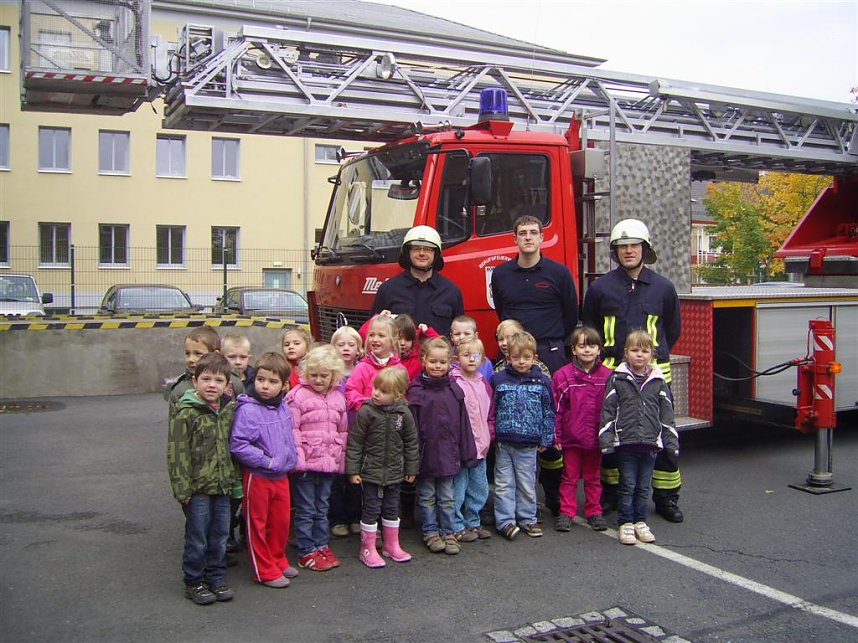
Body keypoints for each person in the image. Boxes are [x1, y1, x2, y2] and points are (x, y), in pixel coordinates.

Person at [582, 218, 684, 523]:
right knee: (613, 433)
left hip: (655, 377)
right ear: (615, 251)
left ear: (645, 248)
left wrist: (650, 360)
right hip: (615, 376)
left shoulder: (664, 288)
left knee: (662, 434)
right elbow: (590, 330)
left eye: (634, 245)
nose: (628, 251)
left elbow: (672, 331)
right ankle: (613, 492)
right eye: (622, 246)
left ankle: (665, 496)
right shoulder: (600, 289)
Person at [167, 352, 238, 605]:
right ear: (195, 381)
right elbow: (177, 453)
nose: (212, 385)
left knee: (220, 535)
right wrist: (182, 489)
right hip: (197, 488)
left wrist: (233, 481)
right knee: (197, 536)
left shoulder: (229, 410)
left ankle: (216, 578)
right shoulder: (186, 412)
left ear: (226, 385)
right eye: (206, 379)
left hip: (223, 485)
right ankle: (194, 581)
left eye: (218, 381)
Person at [598, 331, 679, 545]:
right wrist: (606, 441)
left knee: (644, 486)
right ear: (626, 353)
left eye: (644, 351)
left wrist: (671, 442)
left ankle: (640, 522)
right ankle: (625, 522)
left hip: (650, 444)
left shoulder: (659, 381)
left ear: (652, 354)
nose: (639, 355)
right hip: (626, 443)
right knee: (627, 484)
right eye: (634, 350)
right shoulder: (617, 379)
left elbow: (667, 414)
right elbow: (608, 411)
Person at [229, 352, 299, 589]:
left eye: (272, 381)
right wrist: (266, 461)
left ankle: (277, 558)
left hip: (282, 475)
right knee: (257, 524)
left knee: (281, 521)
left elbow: (288, 436)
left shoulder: (283, 406)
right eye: (261, 380)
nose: (265, 386)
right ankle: (264, 569)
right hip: (259, 476)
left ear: (284, 385)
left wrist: (290, 459)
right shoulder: (248, 409)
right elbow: (239, 444)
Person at [408, 337, 477, 556]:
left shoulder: (454, 390)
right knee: (427, 497)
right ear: (423, 361)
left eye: (442, 362)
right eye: (433, 362)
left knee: (447, 497)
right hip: (425, 456)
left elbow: (464, 425)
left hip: (449, 455)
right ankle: (430, 532)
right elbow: (411, 431)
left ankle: (448, 532)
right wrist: (411, 462)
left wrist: (468, 453)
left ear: (449, 363)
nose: (438, 366)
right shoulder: (416, 392)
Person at [346, 367, 420, 568]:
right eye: (375, 388)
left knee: (391, 507)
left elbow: (411, 442)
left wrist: (411, 469)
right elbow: (355, 442)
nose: (376, 393)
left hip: (395, 472)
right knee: (371, 508)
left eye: (383, 391)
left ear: (397, 395)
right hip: (371, 472)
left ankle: (391, 545)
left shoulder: (404, 413)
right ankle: (367, 548)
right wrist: (353, 470)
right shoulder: (366, 411)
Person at [490, 215, 578, 375]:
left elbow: (571, 314)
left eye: (533, 232)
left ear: (541, 237)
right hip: (513, 352)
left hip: (549, 351)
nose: (528, 237)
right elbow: (501, 310)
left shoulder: (559, 273)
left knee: (552, 398)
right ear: (515, 238)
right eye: (523, 233)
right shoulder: (500, 274)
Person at [287, 345, 349, 572]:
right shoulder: (296, 396)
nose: (319, 380)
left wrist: (340, 462)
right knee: (306, 508)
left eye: (324, 376)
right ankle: (306, 549)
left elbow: (343, 432)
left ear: (333, 375)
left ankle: (321, 544)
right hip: (305, 465)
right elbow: (292, 431)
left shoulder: (337, 398)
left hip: (328, 463)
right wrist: (299, 461)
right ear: (305, 374)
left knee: (322, 506)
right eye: (314, 375)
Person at [490, 331, 555, 540]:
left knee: (526, 483)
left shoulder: (542, 382)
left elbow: (548, 411)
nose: (521, 362)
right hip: (503, 442)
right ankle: (505, 521)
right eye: (516, 357)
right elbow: (492, 409)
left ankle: (528, 518)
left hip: (528, 444)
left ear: (534, 357)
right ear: (508, 357)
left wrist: (546, 437)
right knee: (503, 483)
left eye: (526, 357)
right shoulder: (498, 380)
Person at [552, 327, 612, 532]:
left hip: (596, 438)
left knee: (593, 477)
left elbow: (613, 410)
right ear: (574, 350)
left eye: (592, 345)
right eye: (582, 346)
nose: (587, 350)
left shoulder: (608, 376)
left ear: (599, 350)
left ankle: (594, 511)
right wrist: (556, 435)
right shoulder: (563, 376)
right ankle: (566, 512)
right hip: (571, 438)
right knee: (569, 476)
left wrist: (610, 435)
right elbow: (557, 409)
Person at [371, 225, 464, 336]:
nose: (421, 253)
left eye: (428, 249)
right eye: (416, 248)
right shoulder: (388, 290)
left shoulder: (451, 292)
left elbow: (459, 335)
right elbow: (371, 331)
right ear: (407, 252)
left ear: (436, 254)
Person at [450, 337, 494, 542]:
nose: (471, 359)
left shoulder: (484, 384)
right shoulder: (454, 382)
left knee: (479, 487)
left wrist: (490, 434)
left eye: (475, 356)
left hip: (481, 446)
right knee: (458, 488)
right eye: (466, 356)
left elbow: (490, 414)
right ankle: (456, 524)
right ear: (457, 359)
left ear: (482, 359)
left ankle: (473, 521)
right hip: (461, 446)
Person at [328, 325, 364, 538]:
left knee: (355, 478)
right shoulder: (331, 374)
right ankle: (337, 518)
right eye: (340, 344)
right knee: (335, 480)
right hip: (333, 432)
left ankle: (354, 516)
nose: (346, 348)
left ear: (359, 349)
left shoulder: (361, 371)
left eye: (351, 344)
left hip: (356, 431)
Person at [345, 315, 406, 412]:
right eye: (371, 335)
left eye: (381, 335)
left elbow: (403, 396)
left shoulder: (399, 369)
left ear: (393, 339)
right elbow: (351, 392)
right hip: (368, 422)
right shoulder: (362, 367)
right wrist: (369, 406)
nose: (375, 339)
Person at [449, 315, 494, 381]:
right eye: (457, 334)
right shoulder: (447, 359)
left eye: (467, 334)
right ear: (451, 336)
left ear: (476, 336)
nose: (461, 337)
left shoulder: (485, 362)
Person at [282, 327, 312, 391]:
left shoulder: (313, 364)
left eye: (296, 343)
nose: (290, 347)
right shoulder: (281, 365)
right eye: (286, 345)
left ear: (307, 347)